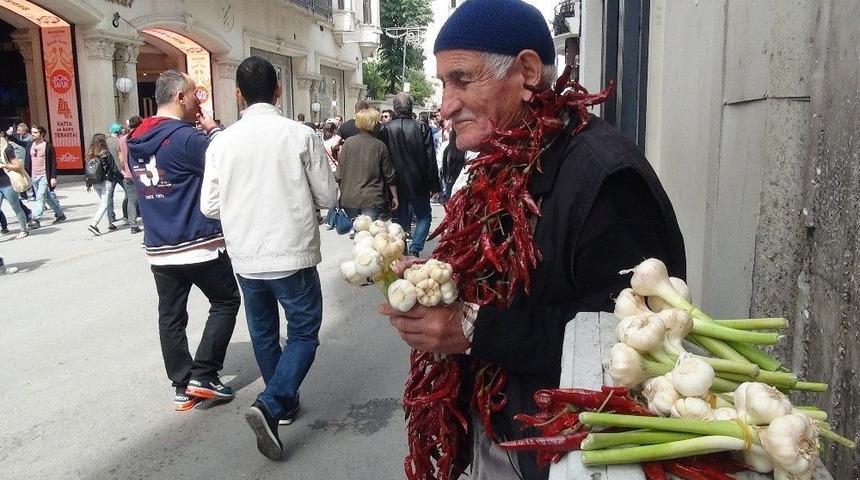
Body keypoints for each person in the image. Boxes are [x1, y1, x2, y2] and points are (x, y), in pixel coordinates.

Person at [379, 1, 687, 479]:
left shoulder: (607, 180)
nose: (446, 105)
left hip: (564, 449)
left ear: (526, 71)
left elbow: (628, 343)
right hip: (505, 422)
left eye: (463, 79)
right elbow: (511, 284)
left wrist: (475, 328)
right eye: (443, 84)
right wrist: (441, 283)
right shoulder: (497, 161)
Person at [201, 55, 337, 461]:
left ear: (238, 95)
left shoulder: (221, 142)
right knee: (303, 333)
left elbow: (210, 205)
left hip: (245, 255)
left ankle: (282, 403)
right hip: (292, 252)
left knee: (263, 332)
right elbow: (328, 196)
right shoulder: (299, 135)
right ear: (278, 90)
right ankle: (273, 402)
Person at [127, 69, 241, 412]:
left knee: (171, 315)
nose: (198, 102)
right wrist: (214, 130)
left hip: (159, 245)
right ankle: (204, 374)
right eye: (195, 95)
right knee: (226, 301)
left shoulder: (135, 139)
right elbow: (228, 161)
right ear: (180, 97)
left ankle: (182, 383)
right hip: (196, 241)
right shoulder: (186, 139)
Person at [379, 92, 439, 256]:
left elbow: (382, 159)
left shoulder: (385, 129)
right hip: (419, 180)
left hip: (395, 182)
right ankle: (415, 249)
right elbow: (430, 158)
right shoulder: (422, 127)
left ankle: (401, 249)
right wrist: (434, 184)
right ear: (411, 108)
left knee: (399, 219)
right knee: (424, 216)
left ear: (395, 108)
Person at [335, 108, 398, 222]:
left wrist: (343, 192)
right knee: (370, 230)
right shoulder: (380, 146)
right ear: (373, 124)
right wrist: (395, 196)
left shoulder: (348, 143)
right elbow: (389, 175)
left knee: (355, 230)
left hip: (350, 198)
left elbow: (339, 174)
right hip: (372, 198)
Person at [8, 124, 66, 228]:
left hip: (44, 176)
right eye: (32, 132)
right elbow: (18, 141)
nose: (33, 134)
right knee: (47, 197)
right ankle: (60, 215)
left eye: (35, 132)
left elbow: (53, 163)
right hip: (34, 176)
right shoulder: (30, 144)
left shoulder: (48, 146)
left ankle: (36, 219)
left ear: (42, 134)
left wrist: (53, 177)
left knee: (40, 197)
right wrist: (10, 135)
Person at [84, 134, 121, 236]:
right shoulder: (105, 153)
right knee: (104, 205)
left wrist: (88, 184)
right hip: (106, 181)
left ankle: (110, 224)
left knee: (105, 203)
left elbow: (88, 170)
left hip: (95, 182)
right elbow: (114, 168)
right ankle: (94, 224)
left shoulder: (90, 154)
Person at [0, 131, 30, 239]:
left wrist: (3, 165)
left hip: (8, 183)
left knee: (16, 207)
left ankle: (24, 230)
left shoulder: (6, 150)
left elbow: (18, 166)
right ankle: (5, 227)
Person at [118, 116, 142, 234]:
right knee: (145, 198)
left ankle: (133, 224)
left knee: (131, 200)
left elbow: (121, 158)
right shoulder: (140, 137)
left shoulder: (122, 139)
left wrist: (124, 170)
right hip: (141, 173)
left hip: (128, 174)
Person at [439, 129, 466, 204]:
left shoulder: (447, 147)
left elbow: (443, 162)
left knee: (449, 195)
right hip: (458, 175)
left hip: (449, 175)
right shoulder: (463, 148)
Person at [105, 123, 124, 224]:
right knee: (129, 192)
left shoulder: (105, 142)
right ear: (119, 132)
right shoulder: (120, 141)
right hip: (120, 171)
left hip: (109, 172)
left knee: (109, 195)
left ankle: (111, 217)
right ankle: (127, 214)